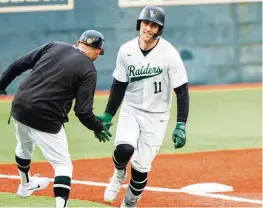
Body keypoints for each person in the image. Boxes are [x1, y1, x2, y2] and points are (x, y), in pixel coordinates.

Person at [0, 30, 112, 208]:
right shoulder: (89, 69)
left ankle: (25, 185)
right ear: (98, 51)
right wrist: (97, 127)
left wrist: (1, 85)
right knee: (63, 165)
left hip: (20, 105)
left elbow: (17, 65)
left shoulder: (54, 46)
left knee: (24, 146)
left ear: (79, 42)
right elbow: (83, 112)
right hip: (45, 115)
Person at [96, 6, 190, 207]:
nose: (149, 28)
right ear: (140, 24)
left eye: (154, 25)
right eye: (146, 23)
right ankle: (118, 173)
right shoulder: (126, 51)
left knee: (140, 168)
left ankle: (129, 204)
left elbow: (182, 91)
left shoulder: (169, 54)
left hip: (157, 116)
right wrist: (108, 114)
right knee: (124, 149)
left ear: (159, 30)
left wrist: (181, 123)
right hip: (132, 109)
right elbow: (118, 85)